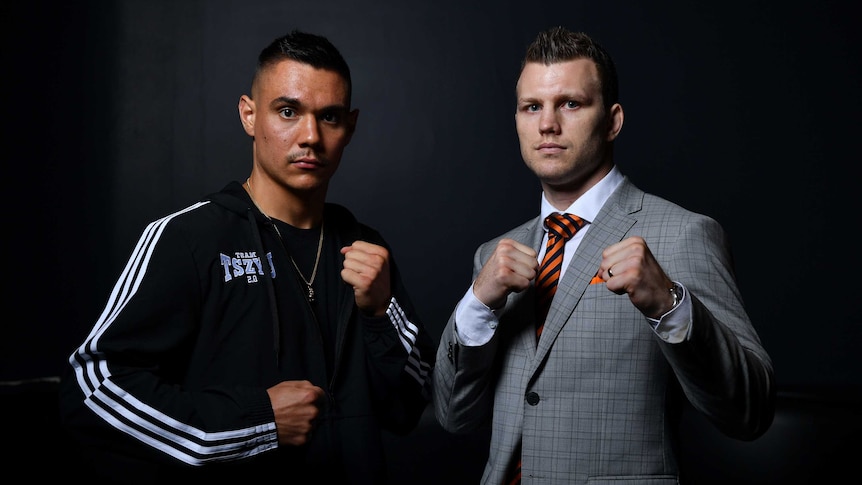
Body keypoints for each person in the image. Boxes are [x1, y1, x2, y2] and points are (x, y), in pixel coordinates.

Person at [59, 30, 435, 484]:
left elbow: (408, 408)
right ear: (249, 115)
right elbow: (91, 391)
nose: (311, 136)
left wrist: (379, 314)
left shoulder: (366, 249)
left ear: (349, 128)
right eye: (288, 111)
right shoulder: (190, 237)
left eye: (329, 117)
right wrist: (256, 422)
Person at [432, 26, 775, 484]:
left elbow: (750, 412)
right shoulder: (494, 255)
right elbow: (454, 416)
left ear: (612, 120)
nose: (547, 124)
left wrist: (670, 304)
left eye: (570, 104)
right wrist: (477, 304)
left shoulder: (681, 235)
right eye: (532, 107)